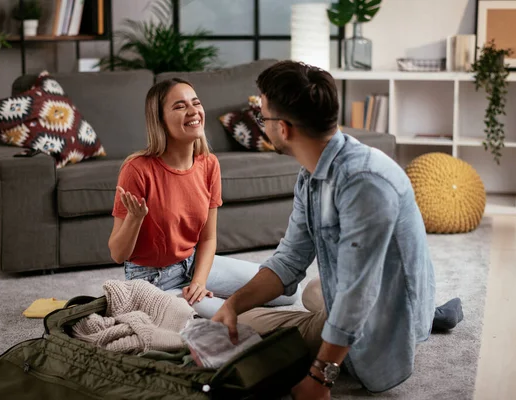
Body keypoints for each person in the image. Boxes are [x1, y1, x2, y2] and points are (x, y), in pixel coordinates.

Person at [211, 61, 463, 399]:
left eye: (262, 118)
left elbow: (358, 292)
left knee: (250, 328)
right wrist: (233, 304)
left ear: (283, 128)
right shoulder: (312, 174)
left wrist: (320, 378)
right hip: (369, 291)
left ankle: (414, 322)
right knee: (311, 293)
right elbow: (288, 261)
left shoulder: (365, 182)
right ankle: (427, 314)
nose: (261, 125)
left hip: (377, 314)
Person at [107, 77, 300, 319]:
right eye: (179, 106)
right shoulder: (136, 169)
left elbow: (208, 238)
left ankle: (211, 294)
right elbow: (117, 254)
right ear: (160, 120)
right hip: (152, 281)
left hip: (193, 264)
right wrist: (135, 219)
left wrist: (199, 281)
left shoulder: (208, 164)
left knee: (288, 290)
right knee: (233, 321)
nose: (193, 111)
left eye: (195, 103)